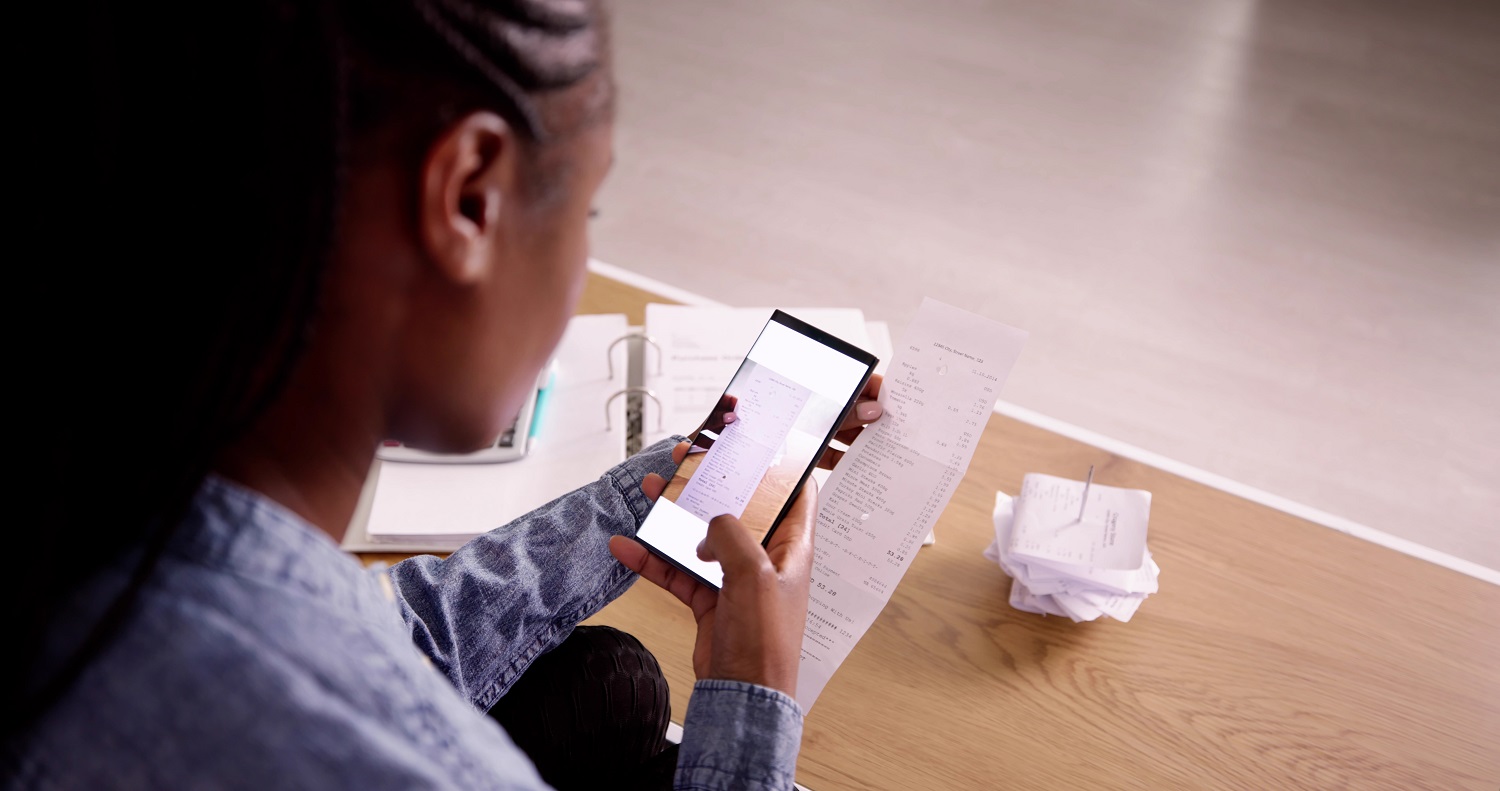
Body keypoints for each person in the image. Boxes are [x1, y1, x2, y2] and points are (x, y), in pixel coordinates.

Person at [8, 0, 883, 789]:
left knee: (609, 686)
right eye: (588, 214)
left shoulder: (100, 505)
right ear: (467, 197)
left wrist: (678, 480)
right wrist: (754, 695)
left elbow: (402, 634)